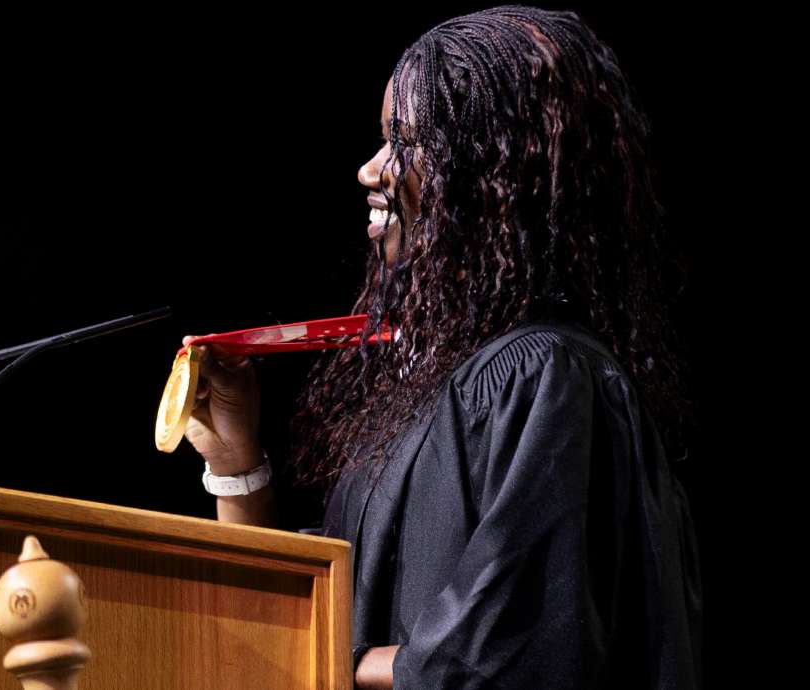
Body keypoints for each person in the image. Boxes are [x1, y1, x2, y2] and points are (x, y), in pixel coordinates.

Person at [181, 6, 702, 688]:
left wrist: (330, 660)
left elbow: (515, 649)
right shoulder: (441, 387)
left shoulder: (541, 377)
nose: (371, 170)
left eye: (406, 143)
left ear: (498, 177)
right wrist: (236, 459)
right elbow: (313, 605)